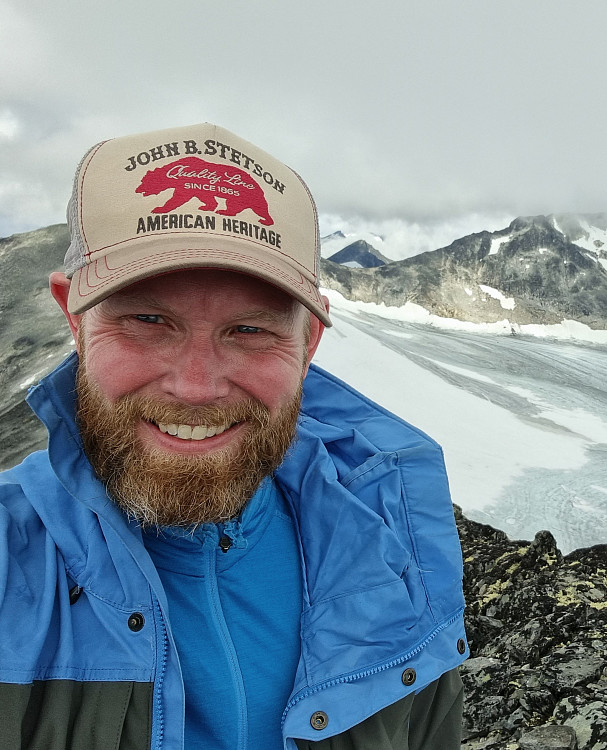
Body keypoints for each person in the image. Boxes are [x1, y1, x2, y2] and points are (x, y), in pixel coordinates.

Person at [0, 123, 468, 749]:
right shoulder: (12, 561)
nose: (195, 386)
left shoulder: (394, 544)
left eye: (249, 330)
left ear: (308, 346)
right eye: (146, 319)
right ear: (74, 320)